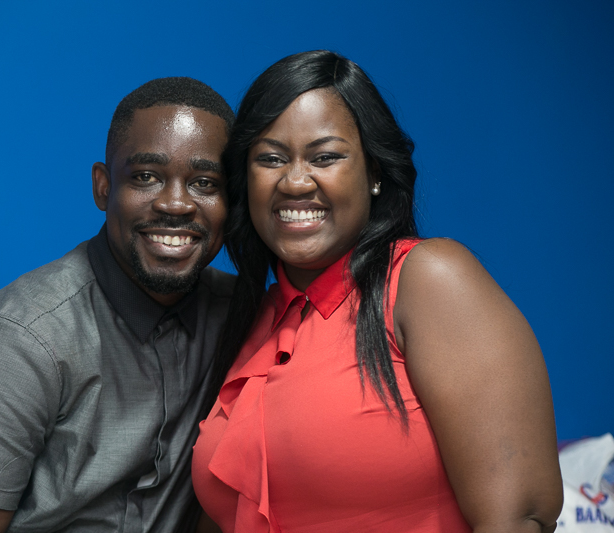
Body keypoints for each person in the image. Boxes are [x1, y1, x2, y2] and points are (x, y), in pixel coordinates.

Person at [192, 51, 563, 532]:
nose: (295, 181)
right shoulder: (251, 319)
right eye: (271, 159)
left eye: (325, 157)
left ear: (374, 173)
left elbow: (518, 517)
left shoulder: (426, 280)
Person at [0, 77, 236, 533]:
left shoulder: (242, 316)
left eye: (205, 183)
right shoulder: (15, 343)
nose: (175, 204)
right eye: (145, 176)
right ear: (103, 187)